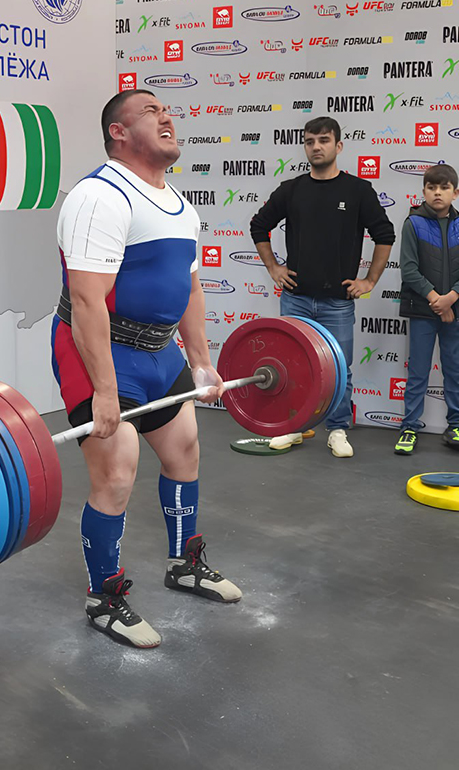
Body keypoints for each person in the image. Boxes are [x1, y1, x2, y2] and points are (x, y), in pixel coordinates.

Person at [51, 89, 241, 649]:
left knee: (184, 450)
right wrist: (105, 391)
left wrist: (201, 362)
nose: (167, 116)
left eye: (168, 111)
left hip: (159, 352)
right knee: (117, 472)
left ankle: (184, 563)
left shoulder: (179, 204)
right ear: (118, 131)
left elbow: (189, 289)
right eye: (151, 111)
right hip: (99, 351)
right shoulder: (100, 196)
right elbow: (87, 301)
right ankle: (103, 597)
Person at [250, 117, 395, 457]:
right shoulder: (291, 189)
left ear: (338, 146)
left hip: (337, 302)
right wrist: (273, 267)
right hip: (296, 299)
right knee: (291, 366)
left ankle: (338, 428)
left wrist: (370, 281)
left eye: (324, 140)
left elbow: (384, 235)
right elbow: (259, 226)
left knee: (339, 368)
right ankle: (294, 426)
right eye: (310, 141)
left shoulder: (358, 190)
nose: (316, 147)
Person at [395, 164, 459, 454]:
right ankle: (409, 427)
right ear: (423, 192)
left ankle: (455, 425)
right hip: (423, 310)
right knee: (418, 371)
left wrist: (451, 298)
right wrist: (437, 300)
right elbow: (409, 270)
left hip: (454, 310)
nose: (437, 193)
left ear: (455, 193)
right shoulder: (414, 223)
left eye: (444, 188)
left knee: (454, 369)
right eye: (432, 188)